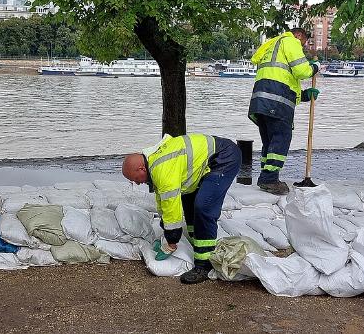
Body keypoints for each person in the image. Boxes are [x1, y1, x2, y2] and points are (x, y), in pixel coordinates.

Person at [122, 133, 241, 284]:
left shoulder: (161, 169)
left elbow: (171, 206)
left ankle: (204, 265)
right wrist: (165, 227)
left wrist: (171, 239)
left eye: (135, 179)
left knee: (203, 207)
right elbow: (164, 202)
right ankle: (196, 239)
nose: (137, 184)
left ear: (141, 169)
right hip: (208, 160)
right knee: (188, 198)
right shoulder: (154, 164)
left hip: (223, 158)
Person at [248, 27, 320, 195]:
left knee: (270, 141)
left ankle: (266, 176)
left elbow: (281, 78)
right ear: (299, 35)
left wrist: (303, 95)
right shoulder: (290, 41)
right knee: (281, 138)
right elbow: (302, 71)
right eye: (303, 43)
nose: (302, 47)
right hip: (276, 102)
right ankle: (269, 180)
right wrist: (314, 67)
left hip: (261, 102)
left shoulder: (272, 47)